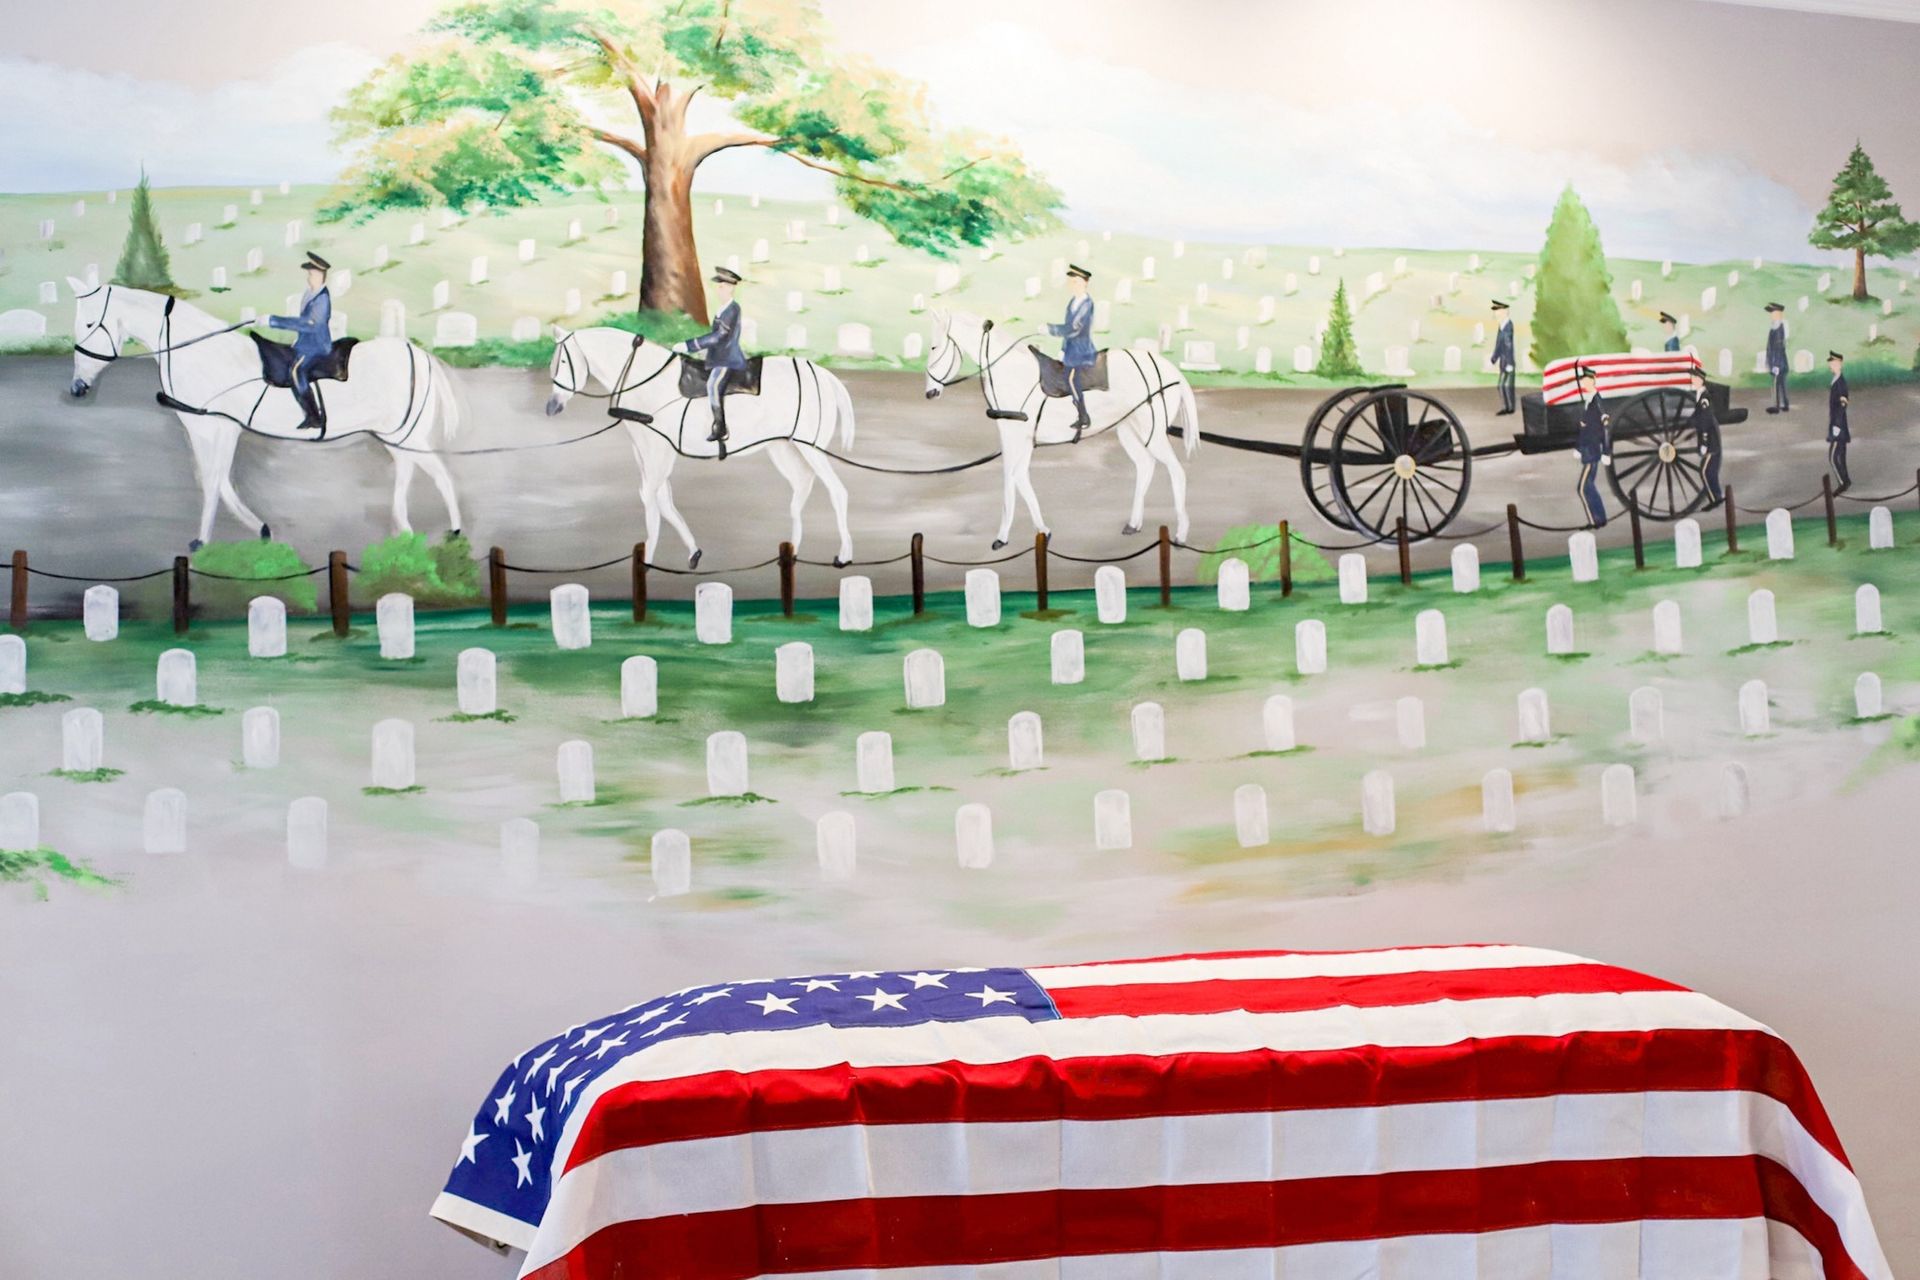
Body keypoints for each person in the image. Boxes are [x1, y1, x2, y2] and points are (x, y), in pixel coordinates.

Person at [268, 253, 333, 435]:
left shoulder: (322, 299)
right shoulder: (310, 293)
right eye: (309, 273)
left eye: (311, 274)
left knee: (297, 371)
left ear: (320, 276)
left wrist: (274, 321)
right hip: (304, 343)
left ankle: (314, 416)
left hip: (317, 346)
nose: (308, 277)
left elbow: (310, 325)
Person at [679, 266, 745, 446]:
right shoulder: (722, 308)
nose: (719, 290)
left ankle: (720, 426)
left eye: (722, 286)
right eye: (718, 286)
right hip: (717, 355)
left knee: (712, 385)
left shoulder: (732, 309)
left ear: (731, 288)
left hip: (727, 358)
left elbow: (720, 336)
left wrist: (690, 345)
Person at [1048, 264, 1096, 440]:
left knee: (1071, 380)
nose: (1073, 285)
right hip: (1070, 350)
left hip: (1081, 350)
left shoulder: (1086, 304)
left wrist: (1050, 329)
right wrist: (1062, 349)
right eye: (1071, 282)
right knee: (1067, 381)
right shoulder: (1073, 302)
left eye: (1076, 282)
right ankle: (1079, 414)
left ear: (1085, 283)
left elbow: (1074, 329)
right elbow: (1068, 332)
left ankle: (1084, 416)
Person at [1574, 364, 1610, 528]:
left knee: (1582, 488)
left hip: (1592, 450)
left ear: (1593, 381)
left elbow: (1605, 426)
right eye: (1583, 381)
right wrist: (1578, 447)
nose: (1584, 383)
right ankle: (1599, 519)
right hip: (1587, 449)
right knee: (1588, 487)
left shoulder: (1596, 400)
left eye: (1587, 380)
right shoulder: (1589, 400)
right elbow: (1583, 427)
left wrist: (1606, 451)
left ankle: (1593, 520)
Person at [1687, 365, 1723, 508]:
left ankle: (1715, 499)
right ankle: (1715, 498)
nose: (1692, 380)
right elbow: (1697, 418)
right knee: (1708, 471)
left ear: (1701, 380)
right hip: (1709, 440)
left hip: (1711, 441)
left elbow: (1706, 421)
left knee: (1705, 471)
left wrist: (1704, 443)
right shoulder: (1700, 396)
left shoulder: (1704, 398)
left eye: (1695, 378)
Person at [1827, 350, 1851, 491]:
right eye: (1830, 363)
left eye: (1833, 363)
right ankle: (1846, 480)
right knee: (1840, 456)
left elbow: (1843, 405)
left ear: (1840, 364)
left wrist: (1836, 425)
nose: (1831, 366)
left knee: (1833, 458)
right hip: (1839, 426)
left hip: (1839, 427)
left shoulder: (1840, 383)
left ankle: (1842, 483)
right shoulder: (1836, 381)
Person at [1490, 301, 1516, 415]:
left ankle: (1509, 407)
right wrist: (1494, 358)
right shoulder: (1502, 326)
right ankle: (1507, 407)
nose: (1496, 314)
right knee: (1502, 386)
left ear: (1505, 312)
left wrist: (1510, 363)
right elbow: (1499, 345)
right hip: (1503, 362)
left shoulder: (1507, 326)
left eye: (1498, 311)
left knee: (1506, 386)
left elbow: (1508, 345)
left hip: (1508, 362)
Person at [1764, 302, 1789, 414]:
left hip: (1778, 363)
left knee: (1777, 384)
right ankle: (1784, 404)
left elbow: (1778, 348)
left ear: (1779, 314)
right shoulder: (1774, 326)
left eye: (1773, 313)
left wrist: (1776, 365)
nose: (1772, 315)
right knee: (1781, 384)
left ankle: (1777, 406)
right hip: (1777, 362)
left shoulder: (1778, 328)